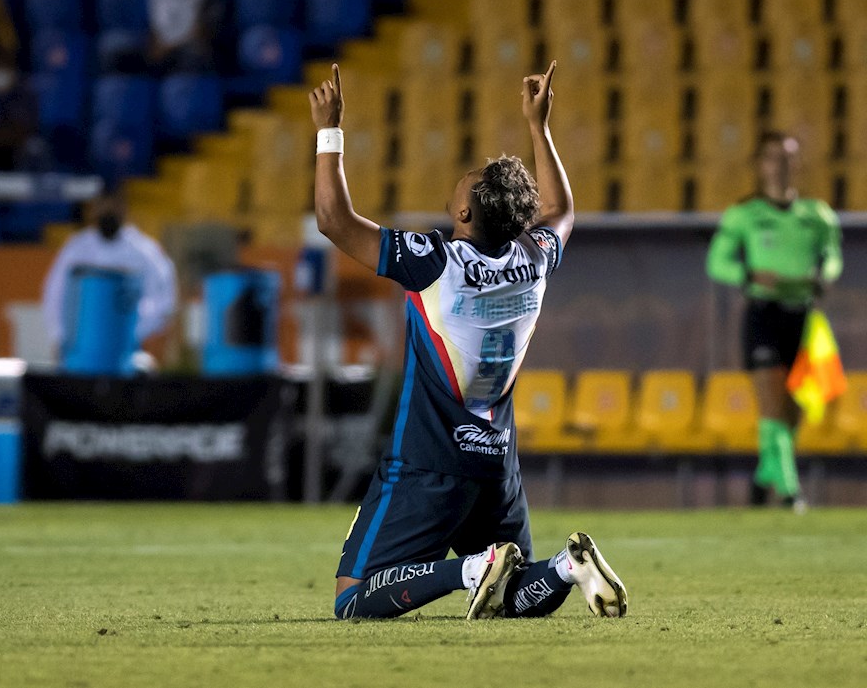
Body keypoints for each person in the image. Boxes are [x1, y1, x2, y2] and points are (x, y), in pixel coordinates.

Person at [310, 62, 628, 620]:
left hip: (429, 462)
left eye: (465, 180)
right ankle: (566, 568)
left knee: (351, 599)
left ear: (463, 212)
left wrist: (329, 130)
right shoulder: (533, 261)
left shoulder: (438, 263)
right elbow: (562, 212)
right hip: (495, 464)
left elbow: (335, 220)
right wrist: (541, 128)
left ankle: (470, 569)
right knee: (515, 594)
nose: (461, 178)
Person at [706, 131, 843, 512]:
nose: (780, 164)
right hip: (764, 314)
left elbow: (832, 257)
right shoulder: (745, 215)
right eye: (772, 156)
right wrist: (750, 275)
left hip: (804, 316)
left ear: (797, 164)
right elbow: (717, 262)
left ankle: (764, 476)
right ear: (760, 163)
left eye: (787, 157)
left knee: (794, 410)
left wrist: (825, 274)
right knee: (772, 403)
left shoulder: (817, 215)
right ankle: (790, 492)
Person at [42, 186, 178, 369]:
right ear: (93, 210)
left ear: (124, 209)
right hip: (82, 349)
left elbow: (163, 298)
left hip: (128, 352)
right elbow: (55, 294)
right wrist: (59, 336)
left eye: (113, 206)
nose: (108, 212)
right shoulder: (76, 249)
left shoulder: (144, 251)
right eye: (102, 206)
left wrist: (132, 330)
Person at [0, 50, 46, 172]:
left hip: (20, 157)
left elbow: (25, 129)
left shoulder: (26, 95)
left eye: (5, 69)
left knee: (35, 148)